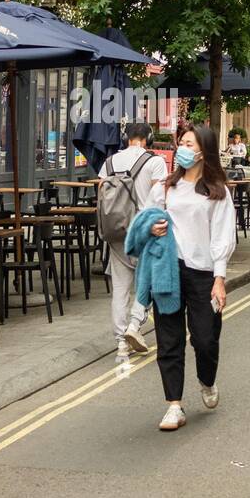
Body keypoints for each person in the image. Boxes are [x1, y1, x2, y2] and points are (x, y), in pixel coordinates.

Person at [146, 125, 235, 432]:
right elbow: (147, 217)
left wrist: (219, 278)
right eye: (180, 142)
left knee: (205, 338)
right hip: (168, 271)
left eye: (188, 143)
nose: (182, 148)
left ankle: (207, 381)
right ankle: (174, 405)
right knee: (168, 339)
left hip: (204, 273)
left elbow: (223, 237)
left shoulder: (218, 192)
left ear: (203, 151)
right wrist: (152, 228)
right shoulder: (166, 187)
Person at [100, 123, 168, 357]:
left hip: (116, 232)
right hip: (145, 231)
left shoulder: (108, 163)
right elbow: (159, 198)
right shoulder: (155, 162)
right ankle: (134, 325)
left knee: (120, 288)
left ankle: (121, 341)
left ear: (125, 137)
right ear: (148, 138)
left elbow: (102, 199)